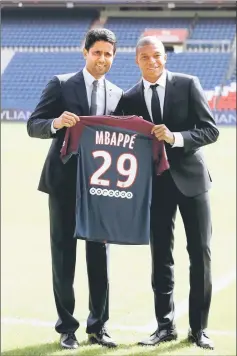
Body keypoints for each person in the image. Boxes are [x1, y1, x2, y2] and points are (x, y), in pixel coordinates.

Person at [116, 36, 219, 350]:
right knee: (161, 257)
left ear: (165, 57)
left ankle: (199, 329)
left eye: (157, 55)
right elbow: (121, 140)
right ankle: (165, 327)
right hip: (155, 187)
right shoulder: (129, 97)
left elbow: (209, 130)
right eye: (145, 57)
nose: (152, 62)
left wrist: (176, 137)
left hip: (192, 182)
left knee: (199, 253)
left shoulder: (188, 84)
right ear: (137, 60)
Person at [27, 28, 123, 350]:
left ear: (114, 57)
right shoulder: (61, 83)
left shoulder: (117, 94)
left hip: (100, 188)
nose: (102, 59)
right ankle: (67, 328)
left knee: (100, 259)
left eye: (108, 54)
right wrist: (56, 123)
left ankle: (98, 327)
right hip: (65, 185)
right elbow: (34, 124)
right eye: (97, 53)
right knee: (64, 257)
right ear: (85, 52)